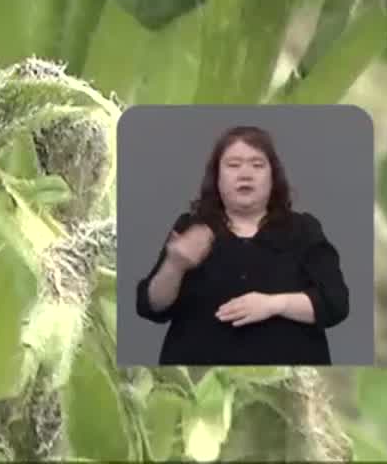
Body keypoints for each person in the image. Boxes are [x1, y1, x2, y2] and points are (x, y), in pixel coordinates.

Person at [134, 124, 349, 365]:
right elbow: (151, 307)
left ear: (272, 177)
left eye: (257, 165)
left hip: (286, 378)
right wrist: (174, 265)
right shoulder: (192, 228)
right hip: (200, 377)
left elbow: (335, 303)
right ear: (216, 176)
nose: (245, 174)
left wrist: (273, 304)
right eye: (233, 165)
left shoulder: (303, 230)